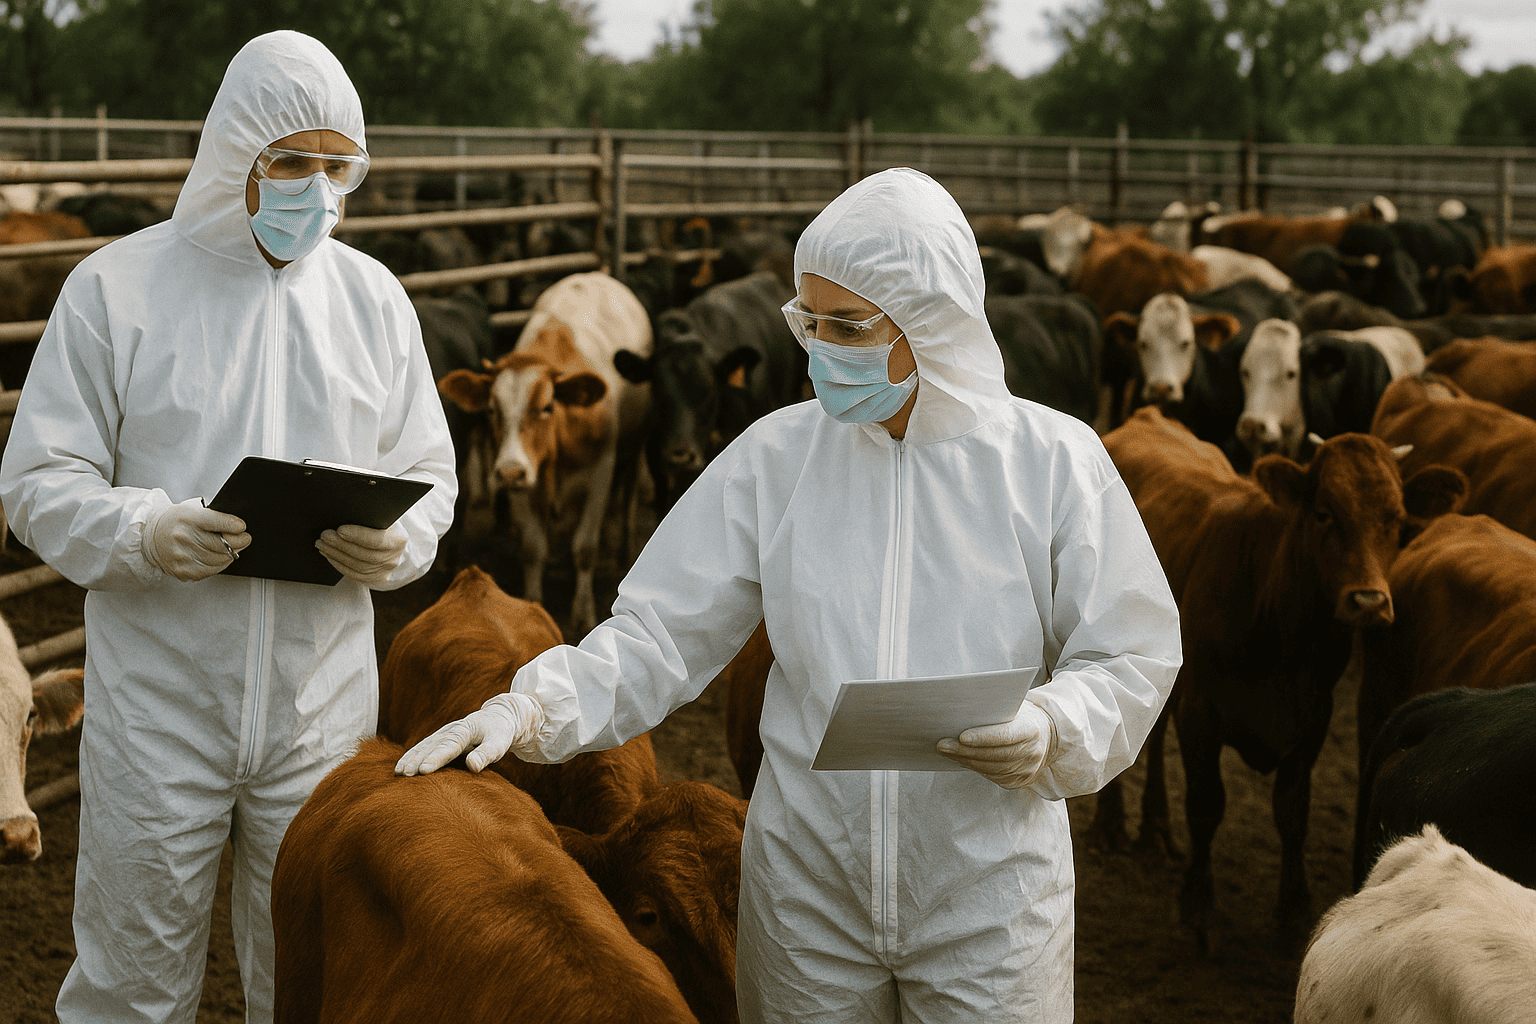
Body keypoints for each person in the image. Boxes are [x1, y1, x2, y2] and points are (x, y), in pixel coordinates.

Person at [396, 166, 1180, 1022]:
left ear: (931, 319)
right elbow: (660, 632)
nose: (821, 349)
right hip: (809, 893)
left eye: (848, 326)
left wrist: (1054, 726)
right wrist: (530, 708)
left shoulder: (1052, 462)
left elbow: (1131, 648)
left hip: (988, 895)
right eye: (810, 321)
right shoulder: (778, 459)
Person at [0, 31, 456, 1024]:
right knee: (130, 972)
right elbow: (36, 478)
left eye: (340, 167)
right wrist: (142, 530)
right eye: (294, 162)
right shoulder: (118, 290)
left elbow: (428, 469)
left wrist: (400, 546)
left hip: (323, 700)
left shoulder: (373, 301)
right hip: (161, 701)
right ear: (234, 155)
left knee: (310, 973)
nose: (320, 189)